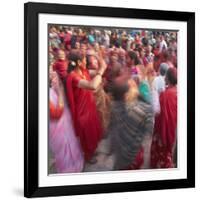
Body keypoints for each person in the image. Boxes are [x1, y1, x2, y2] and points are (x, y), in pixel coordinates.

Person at [66, 51, 107, 161]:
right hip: (82, 111)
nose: (87, 61)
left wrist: (98, 55)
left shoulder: (84, 71)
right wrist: (101, 70)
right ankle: (88, 156)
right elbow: (92, 85)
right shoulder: (74, 77)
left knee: (93, 130)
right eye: (85, 59)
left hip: (89, 106)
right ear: (79, 62)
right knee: (87, 134)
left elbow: (100, 70)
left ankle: (92, 151)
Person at [49, 71, 84, 173]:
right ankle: (68, 170)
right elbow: (56, 113)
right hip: (56, 127)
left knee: (70, 143)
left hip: (65, 123)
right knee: (62, 149)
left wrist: (58, 88)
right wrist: (59, 93)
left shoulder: (53, 86)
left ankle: (76, 163)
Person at [150, 68, 177, 168]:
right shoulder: (177, 92)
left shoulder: (164, 95)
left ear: (167, 78)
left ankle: (159, 166)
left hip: (162, 128)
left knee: (160, 149)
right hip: (172, 128)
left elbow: (157, 113)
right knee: (168, 148)